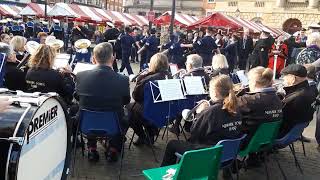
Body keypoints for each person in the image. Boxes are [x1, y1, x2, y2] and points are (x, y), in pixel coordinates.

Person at [160, 75, 242, 167]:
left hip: (209, 154)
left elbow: (195, 132)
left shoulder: (211, 111)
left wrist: (200, 113)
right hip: (228, 155)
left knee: (172, 144)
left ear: (215, 93)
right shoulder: (236, 107)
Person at [75, 42, 130, 162]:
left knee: (85, 108)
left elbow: (77, 97)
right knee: (127, 112)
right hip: (113, 126)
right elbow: (126, 101)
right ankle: (113, 149)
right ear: (113, 58)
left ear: (93, 59)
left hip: (86, 125)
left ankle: (91, 148)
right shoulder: (123, 80)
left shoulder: (80, 76)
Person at [129, 53, 171, 145]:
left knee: (129, 109)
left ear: (153, 64)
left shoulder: (148, 79)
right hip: (167, 112)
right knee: (138, 109)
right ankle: (151, 133)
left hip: (151, 112)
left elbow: (136, 97)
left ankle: (142, 135)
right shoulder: (171, 76)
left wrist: (140, 79)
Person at [237, 67, 283, 145]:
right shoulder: (277, 98)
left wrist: (238, 93)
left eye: (249, 80)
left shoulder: (248, 100)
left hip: (247, 140)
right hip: (266, 139)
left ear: (254, 82)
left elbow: (228, 105)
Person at [278, 64, 317, 138]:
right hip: (294, 132)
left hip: (282, 134)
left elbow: (279, 119)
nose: (283, 79)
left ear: (293, 78)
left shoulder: (295, 98)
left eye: (285, 77)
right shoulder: (312, 91)